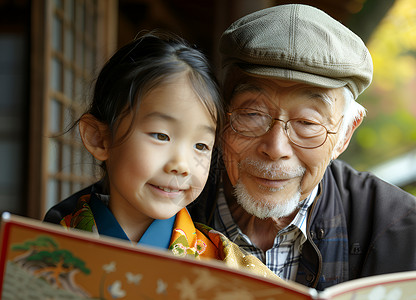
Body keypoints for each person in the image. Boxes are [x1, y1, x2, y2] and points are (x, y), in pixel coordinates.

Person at [186, 4, 416, 290]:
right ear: (220, 114)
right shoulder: (166, 196)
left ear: (345, 133)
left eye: (307, 123)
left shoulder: (412, 236)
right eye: (252, 115)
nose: (275, 148)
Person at [43, 31, 279, 280]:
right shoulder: (45, 253)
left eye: (201, 145)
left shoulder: (231, 269)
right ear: (99, 138)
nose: (181, 165)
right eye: (161, 136)